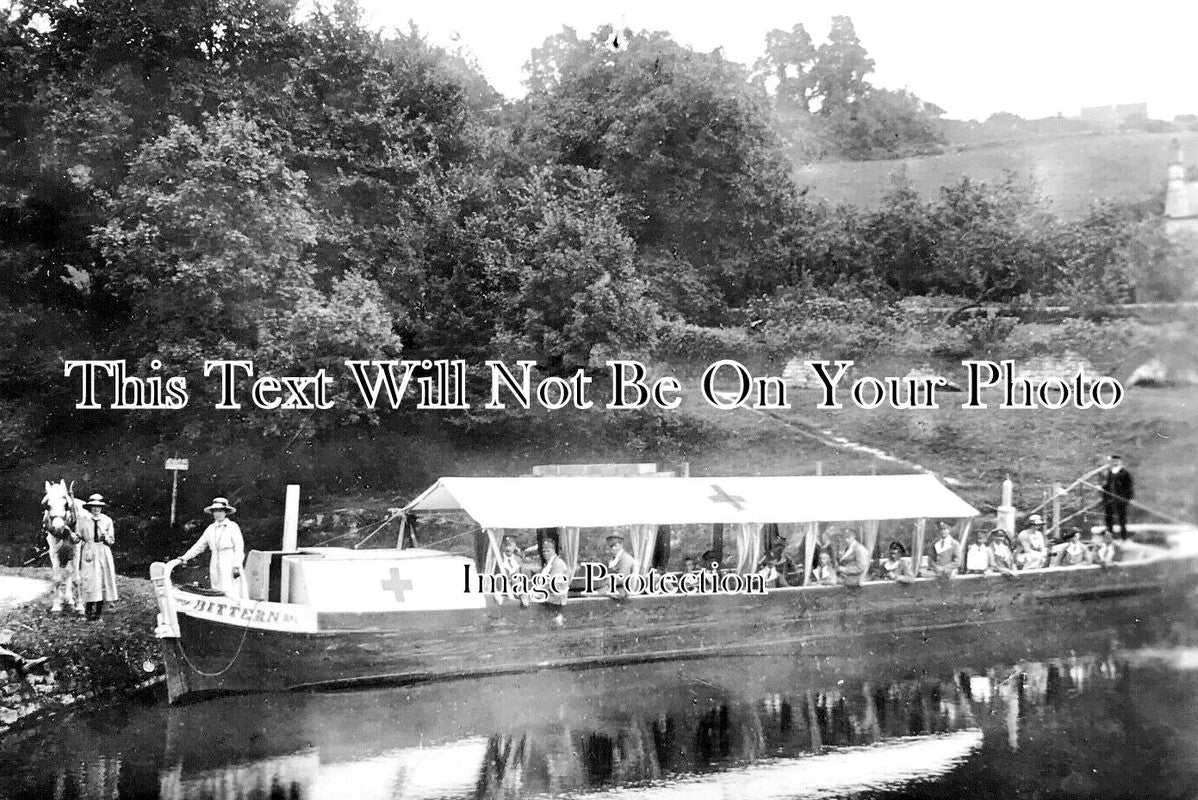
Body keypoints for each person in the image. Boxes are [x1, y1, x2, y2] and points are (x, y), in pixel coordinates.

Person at [179, 497, 246, 598]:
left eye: (220, 510)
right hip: (215, 560)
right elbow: (199, 546)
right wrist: (184, 557)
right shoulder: (210, 529)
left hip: (229, 561)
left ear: (225, 512)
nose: (218, 513)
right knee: (216, 589)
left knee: (231, 589)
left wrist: (236, 565)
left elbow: (239, 547)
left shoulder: (232, 526)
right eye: (215, 511)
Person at [76, 494, 118, 620]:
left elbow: (111, 541)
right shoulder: (83, 520)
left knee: (102, 580)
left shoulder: (107, 520)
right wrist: (73, 536)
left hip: (103, 550)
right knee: (89, 580)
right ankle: (88, 611)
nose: (96, 509)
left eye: (99, 507)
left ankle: (98, 612)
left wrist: (105, 536)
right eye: (94, 507)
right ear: (90, 507)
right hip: (89, 550)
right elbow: (78, 536)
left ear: (102, 508)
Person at [534, 537, 570, 624]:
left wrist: (538, 593)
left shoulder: (557, 564)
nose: (545, 553)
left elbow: (553, 585)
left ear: (554, 551)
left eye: (548, 551)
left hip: (555, 602)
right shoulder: (548, 563)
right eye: (543, 551)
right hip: (549, 599)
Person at [1101, 455, 1134, 539]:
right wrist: (1103, 487)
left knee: (1122, 517)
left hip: (1121, 499)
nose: (1115, 463)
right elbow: (1107, 485)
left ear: (1120, 462)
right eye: (1113, 461)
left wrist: (1128, 498)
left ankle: (1123, 536)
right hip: (1110, 499)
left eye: (1117, 461)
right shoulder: (1110, 472)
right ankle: (1109, 535)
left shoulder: (1125, 473)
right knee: (1108, 517)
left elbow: (1129, 486)